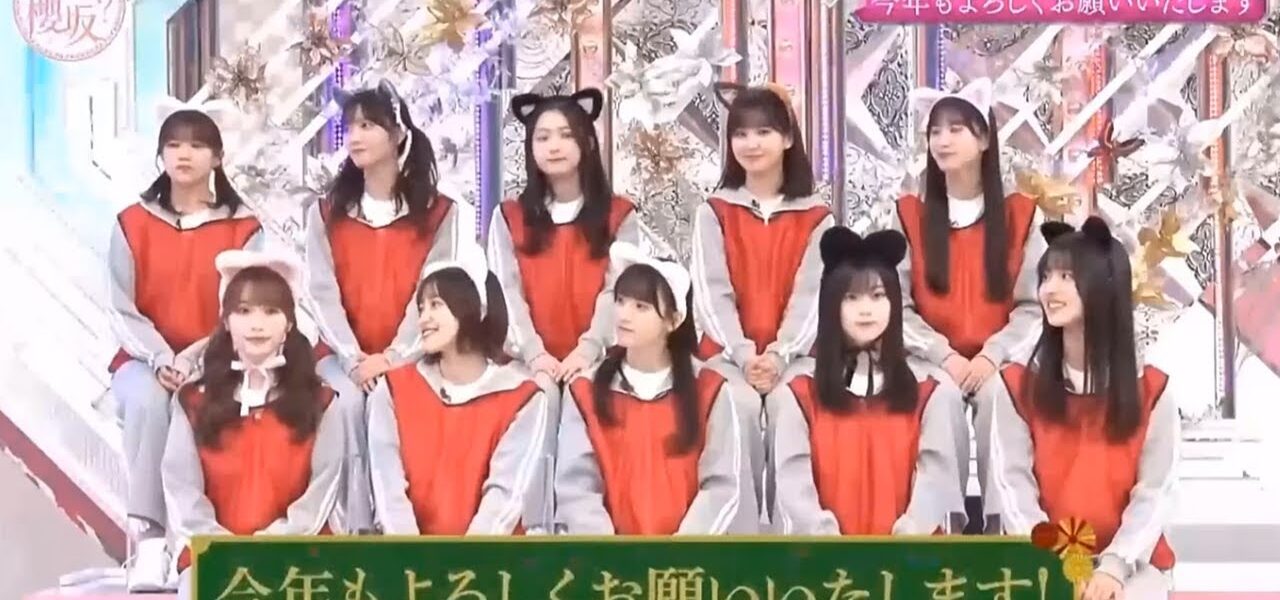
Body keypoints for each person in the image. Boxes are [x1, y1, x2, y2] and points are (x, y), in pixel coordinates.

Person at [106, 97, 262, 591]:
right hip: (142, 359)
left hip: (221, 359)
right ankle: (151, 544)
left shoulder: (244, 228)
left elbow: (246, 308)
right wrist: (159, 358)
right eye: (173, 145)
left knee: (217, 404)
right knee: (150, 401)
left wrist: (195, 359)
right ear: (161, 155)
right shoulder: (131, 223)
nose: (184, 155)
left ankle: (204, 546)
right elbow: (120, 306)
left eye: (196, 145)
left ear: (217, 157)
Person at [979, 217, 1178, 599]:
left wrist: (1114, 567)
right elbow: (1013, 490)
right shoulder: (1017, 388)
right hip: (1044, 562)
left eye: (1066, 277)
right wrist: (1061, 566)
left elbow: (1155, 493)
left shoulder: (1153, 392)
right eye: (1046, 277)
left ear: (1105, 286)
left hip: (1132, 568)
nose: (1049, 290)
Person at [306, 80, 473, 532]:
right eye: (349, 127)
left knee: (389, 399)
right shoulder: (326, 213)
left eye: (367, 126)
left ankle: (401, 526)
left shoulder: (440, 214)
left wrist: (394, 357)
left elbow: (434, 293)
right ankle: (355, 528)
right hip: (341, 358)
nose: (354, 137)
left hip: (414, 356)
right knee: (346, 402)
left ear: (398, 134)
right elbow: (320, 291)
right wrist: (354, 358)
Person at [164, 250, 344, 598]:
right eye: (244, 311)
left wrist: (268, 549)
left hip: (299, 560)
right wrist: (224, 550)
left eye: (271, 311)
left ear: (289, 324)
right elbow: (182, 492)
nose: (257, 324)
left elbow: (319, 496)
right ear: (226, 321)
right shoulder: (192, 403)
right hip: (212, 558)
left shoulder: (321, 403)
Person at [691, 82, 833, 521]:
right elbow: (711, 293)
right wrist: (744, 354)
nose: (751, 144)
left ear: (788, 138)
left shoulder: (817, 217)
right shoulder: (714, 212)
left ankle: (796, 539)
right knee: (738, 405)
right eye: (740, 134)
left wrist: (779, 355)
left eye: (764, 132)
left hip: (797, 359)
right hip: (726, 358)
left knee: (791, 406)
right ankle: (739, 534)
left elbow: (812, 297)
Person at [768, 227, 968, 535]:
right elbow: (792, 486)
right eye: (851, 297)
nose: (865, 309)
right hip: (821, 560)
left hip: (909, 560)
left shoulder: (930, 392)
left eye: (877, 296)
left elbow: (937, 481)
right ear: (831, 305)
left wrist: (909, 536)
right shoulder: (798, 395)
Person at [555, 242, 757, 535]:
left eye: (641, 307)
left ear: (673, 320)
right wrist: (606, 549)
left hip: (687, 559)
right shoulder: (584, 391)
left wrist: (677, 551)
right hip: (606, 558)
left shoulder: (711, 391)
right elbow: (576, 487)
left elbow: (722, 486)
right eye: (621, 301)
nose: (624, 315)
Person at [366, 242, 553, 534]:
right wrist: (409, 553)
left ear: (475, 308)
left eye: (436, 304)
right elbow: (387, 487)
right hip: (405, 556)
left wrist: (464, 557)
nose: (424, 318)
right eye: (421, 308)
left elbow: (505, 497)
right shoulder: (393, 388)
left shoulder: (523, 398)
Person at [488, 88, 639, 383]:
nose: (554, 147)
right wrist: (535, 355)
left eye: (566, 135)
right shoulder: (508, 216)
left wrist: (587, 351)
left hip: (600, 361)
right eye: (542, 138)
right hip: (524, 364)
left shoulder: (619, 215)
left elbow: (619, 291)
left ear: (589, 142)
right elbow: (506, 291)